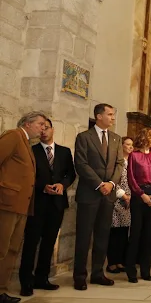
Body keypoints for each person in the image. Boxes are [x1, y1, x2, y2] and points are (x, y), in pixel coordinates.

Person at [19, 118, 75, 297]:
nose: (43, 131)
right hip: (37, 203)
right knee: (31, 243)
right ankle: (26, 281)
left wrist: (62, 185)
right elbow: (26, 175)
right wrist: (43, 186)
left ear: (53, 130)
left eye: (47, 128)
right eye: (41, 128)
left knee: (49, 243)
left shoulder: (65, 152)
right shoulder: (31, 150)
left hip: (57, 204)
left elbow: (70, 174)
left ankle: (42, 278)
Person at [73, 103, 124, 291]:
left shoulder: (116, 139)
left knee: (103, 236)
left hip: (108, 195)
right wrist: (99, 184)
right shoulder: (84, 137)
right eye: (109, 114)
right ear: (98, 116)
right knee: (84, 237)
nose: (112, 118)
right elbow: (81, 163)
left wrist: (110, 183)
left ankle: (97, 273)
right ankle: (79, 276)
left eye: (113, 114)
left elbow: (120, 164)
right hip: (89, 194)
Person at [0, 111, 47, 303]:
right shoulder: (13, 135)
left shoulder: (26, 142)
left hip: (21, 205)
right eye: (40, 124)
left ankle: (2, 289)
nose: (43, 128)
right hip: (7, 202)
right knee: (1, 248)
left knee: (12, 249)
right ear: (27, 124)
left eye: (44, 125)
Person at [125, 128, 151, 283]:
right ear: (145, 138)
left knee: (149, 235)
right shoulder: (134, 156)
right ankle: (131, 270)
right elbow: (131, 178)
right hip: (139, 196)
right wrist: (142, 195)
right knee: (136, 234)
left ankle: (146, 270)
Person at [106, 137, 133, 274]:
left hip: (129, 201)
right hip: (117, 199)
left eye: (132, 145)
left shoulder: (131, 162)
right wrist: (122, 195)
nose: (130, 147)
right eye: (127, 144)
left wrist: (130, 197)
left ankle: (120, 261)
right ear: (121, 146)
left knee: (124, 232)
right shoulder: (117, 162)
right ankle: (111, 262)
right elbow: (112, 179)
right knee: (114, 232)